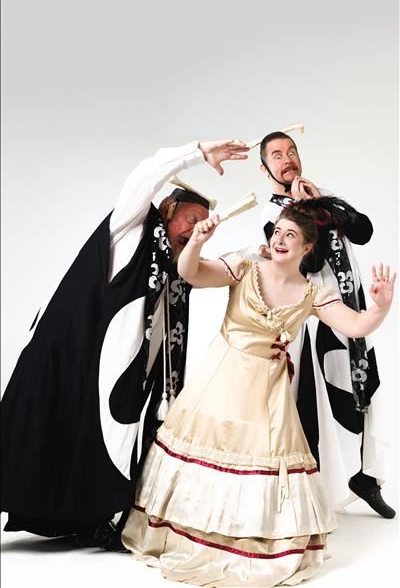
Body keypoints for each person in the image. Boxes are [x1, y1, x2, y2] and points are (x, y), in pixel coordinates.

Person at [121, 198, 395, 586]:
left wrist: (380, 309)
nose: (280, 239)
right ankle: (194, 533)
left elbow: (355, 325)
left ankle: (249, 537)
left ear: (307, 248)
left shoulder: (313, 294)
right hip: (220, 382)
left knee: (260, 465)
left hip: (268, 396)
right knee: (209, 456)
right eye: (278, 231)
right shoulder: (245, 267)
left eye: (291, 235)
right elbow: (191, 273)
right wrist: (197, 241)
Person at [1, 138, 249, 550]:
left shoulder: (179, 265)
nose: (195, 230)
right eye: (190, 218)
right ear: (167, 212)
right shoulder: (132, 230)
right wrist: (197, 153)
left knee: (98, 439)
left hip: (113, 373)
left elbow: (221, 269)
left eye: (204, 225)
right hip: (68, 353)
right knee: (45, 431)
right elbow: (144, 176)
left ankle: (91, 519)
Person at [257, 131, 395, 519]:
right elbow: (309, 263)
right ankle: (312, 489)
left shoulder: (319, 197)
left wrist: (322, 204)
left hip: (355, 309)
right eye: (276, 155)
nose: (287, 159)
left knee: (365, 388)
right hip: (316, 318)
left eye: (291, 151)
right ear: (265, 168)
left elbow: (363, 231)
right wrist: (306, 210)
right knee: (318, 400)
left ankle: (366, 478)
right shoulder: (274, 217)